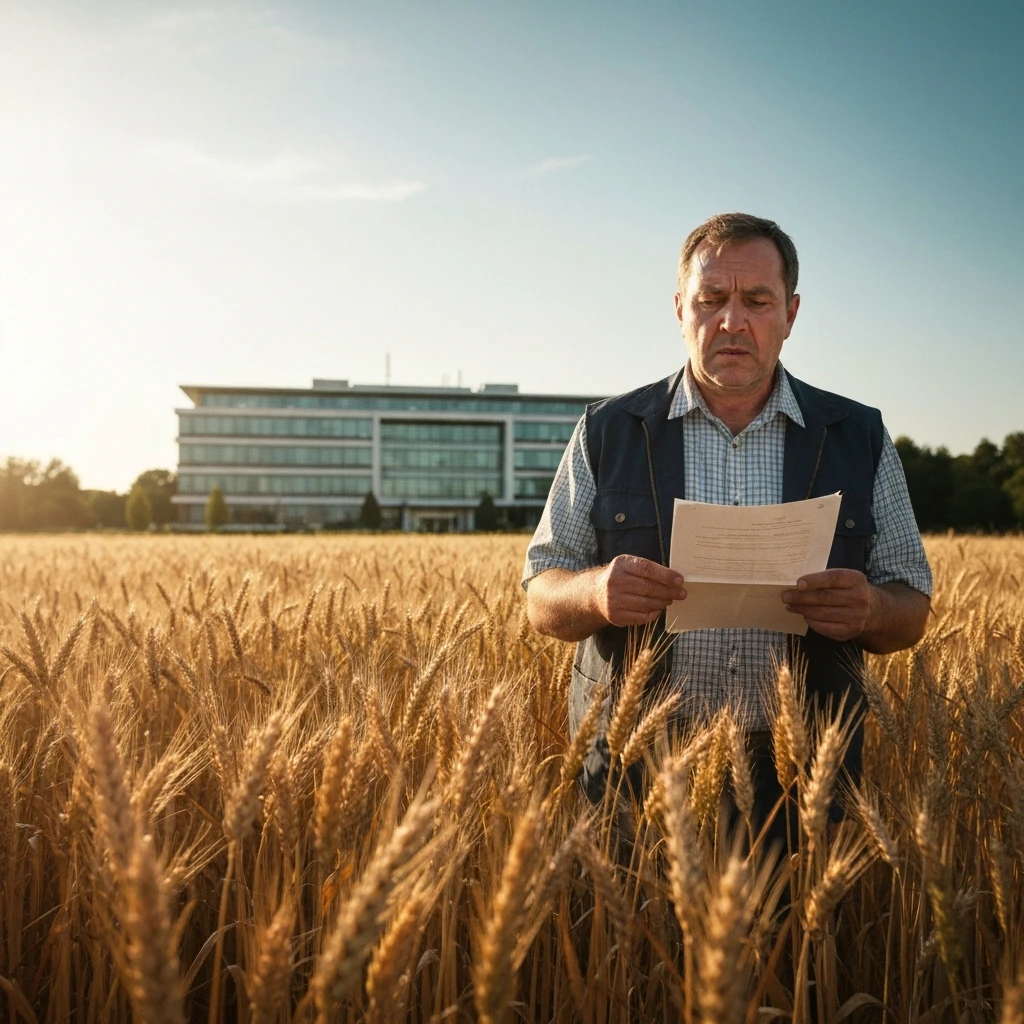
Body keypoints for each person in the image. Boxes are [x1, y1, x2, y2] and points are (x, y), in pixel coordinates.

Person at [521, 212, 932, 822]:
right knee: (636, 921)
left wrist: (871, 608)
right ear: (680, 309)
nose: (732, 320)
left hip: (802, 779)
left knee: (790, 922)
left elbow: (912, 609)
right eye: (711, 298)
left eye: (757, 300)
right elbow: (541, 595)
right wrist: (595, 591)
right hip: (636, 772)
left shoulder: (858, 436)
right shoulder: (607, 432)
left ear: (791, 314)